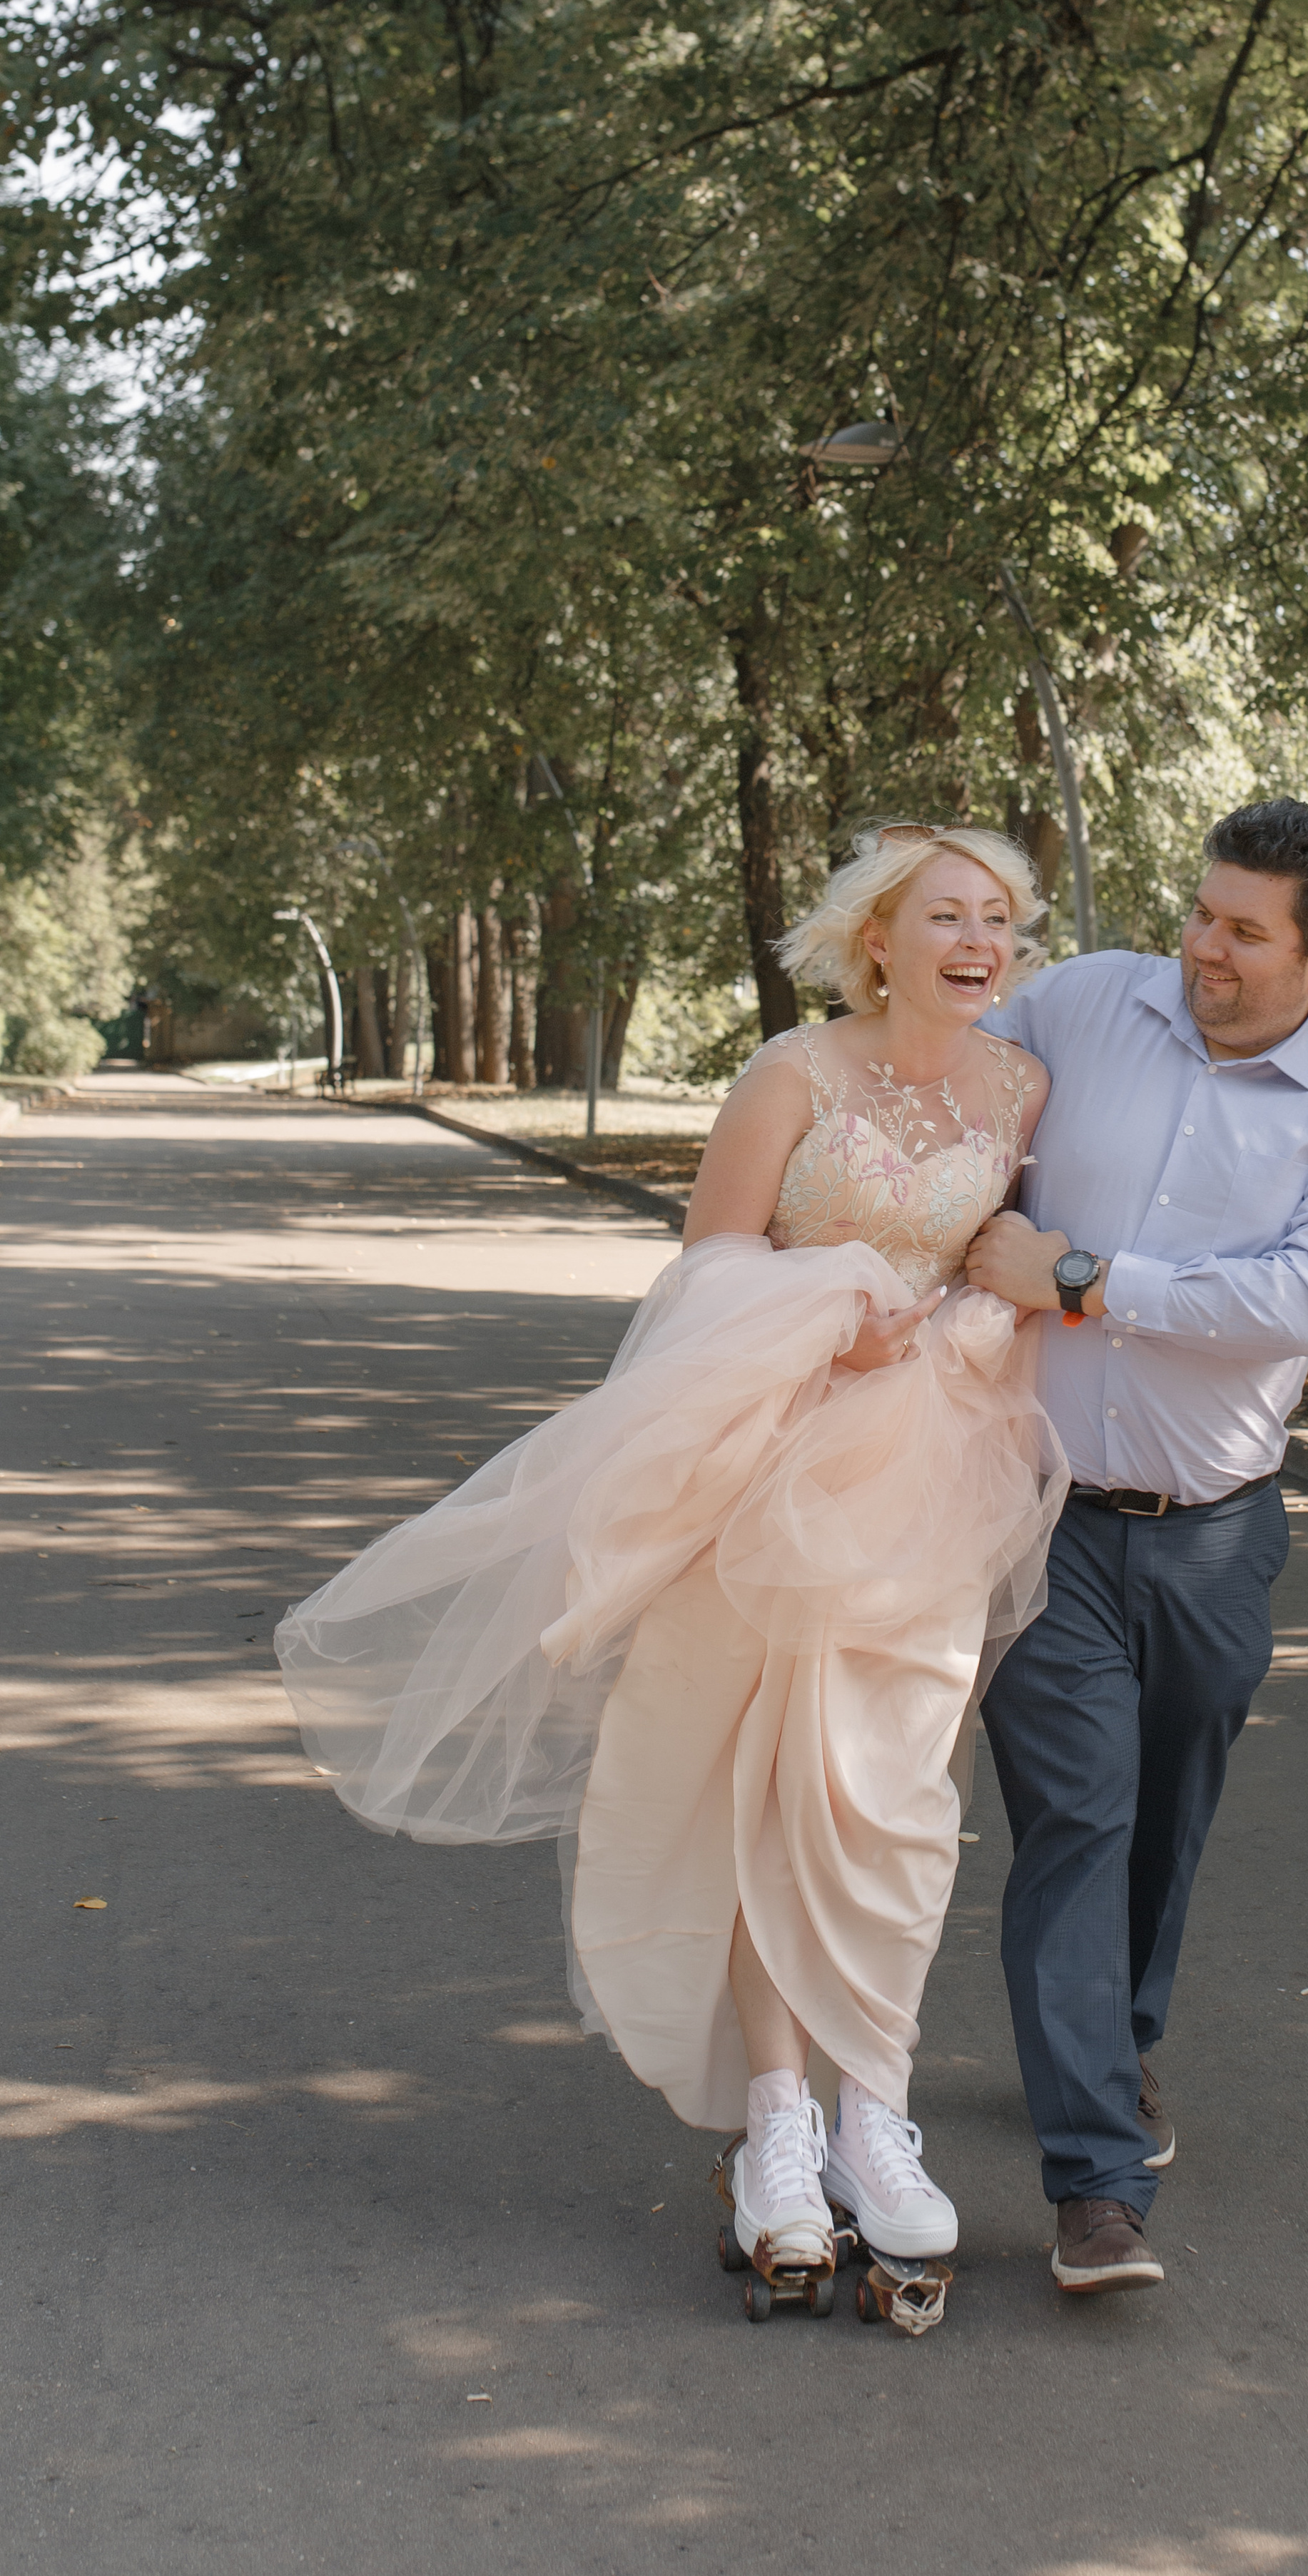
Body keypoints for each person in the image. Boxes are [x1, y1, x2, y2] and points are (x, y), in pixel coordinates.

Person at [278, 825, 1063, 2280]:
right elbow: (708, 1268)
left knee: (893, 1802)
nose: (977, 940)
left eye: (997, 918)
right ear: (877, 938)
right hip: (762, 1468)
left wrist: (986, 1304)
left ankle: (874, 2112)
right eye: (946, 914)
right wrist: (835, 1310)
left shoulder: (1020, 1087)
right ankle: (778, 2121)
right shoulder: (792, 1073)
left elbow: (994, 1263)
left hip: (927, 1482)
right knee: (760, 1789)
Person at [966, 798, 1308, 2294]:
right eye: (1200, 911)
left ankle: (1118, 2038)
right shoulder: (1084, 1002)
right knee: (1077, 1823)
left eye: (1242, 931)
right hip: (1038, 1511)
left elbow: (1302, 1302)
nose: (1201, 948)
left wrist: (1084, 1278)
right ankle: (1096, 2185)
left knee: (1166, 1819)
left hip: (1217, 1537)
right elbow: (947, 1089)